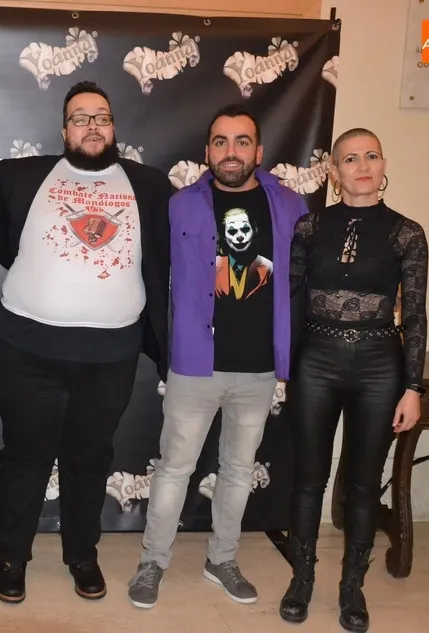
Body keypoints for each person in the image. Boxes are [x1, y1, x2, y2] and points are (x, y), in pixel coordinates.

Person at [0, 81, 171, 604]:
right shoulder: (18, 177)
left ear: (114, 126)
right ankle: (11, 559)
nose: (92, 126)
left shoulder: (149, 185)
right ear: (64, 129)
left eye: (102, 117)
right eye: (80, 117)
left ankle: (82, 556)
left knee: (89, 460)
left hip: (110, 357)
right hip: (26, 351)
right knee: (25, 458)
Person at [127, 104, 308, 609]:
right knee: (173, 468)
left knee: (238, 469)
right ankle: (152, 562)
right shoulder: (180, 205)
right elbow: (152, 275)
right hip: (194, 364)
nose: (231, 151)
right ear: (207, 151)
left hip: (259, 368)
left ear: (259, 151)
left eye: (242, 141)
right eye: (221, 142)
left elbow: (303, 282)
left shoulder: (291, 205)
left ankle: (222, 559)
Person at [279, 128, 427, 633]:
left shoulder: (407, 233)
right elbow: (288, 299)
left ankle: (351, 588)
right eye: (350, 158)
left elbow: (416, 315)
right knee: (308, 478)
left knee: (363, 485)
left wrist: (413, 386)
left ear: (383, 165)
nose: (362, 166)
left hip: (380, 366)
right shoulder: (309, 226)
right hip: (316, 360)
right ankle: (301, 580)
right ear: (334, 171)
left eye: (371, 156)